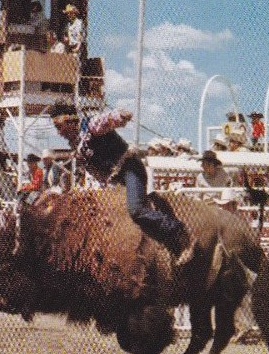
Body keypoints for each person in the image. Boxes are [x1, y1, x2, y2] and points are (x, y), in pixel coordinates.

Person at [49, 103, 196, 266]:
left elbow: (107, 120)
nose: (59, 132)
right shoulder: (77, 143)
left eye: (59, 126)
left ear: (69, 121)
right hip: (115, 180)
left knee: (136, 211)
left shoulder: (91, 126)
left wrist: (119, 116)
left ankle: (178, 230)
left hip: (130, 170)